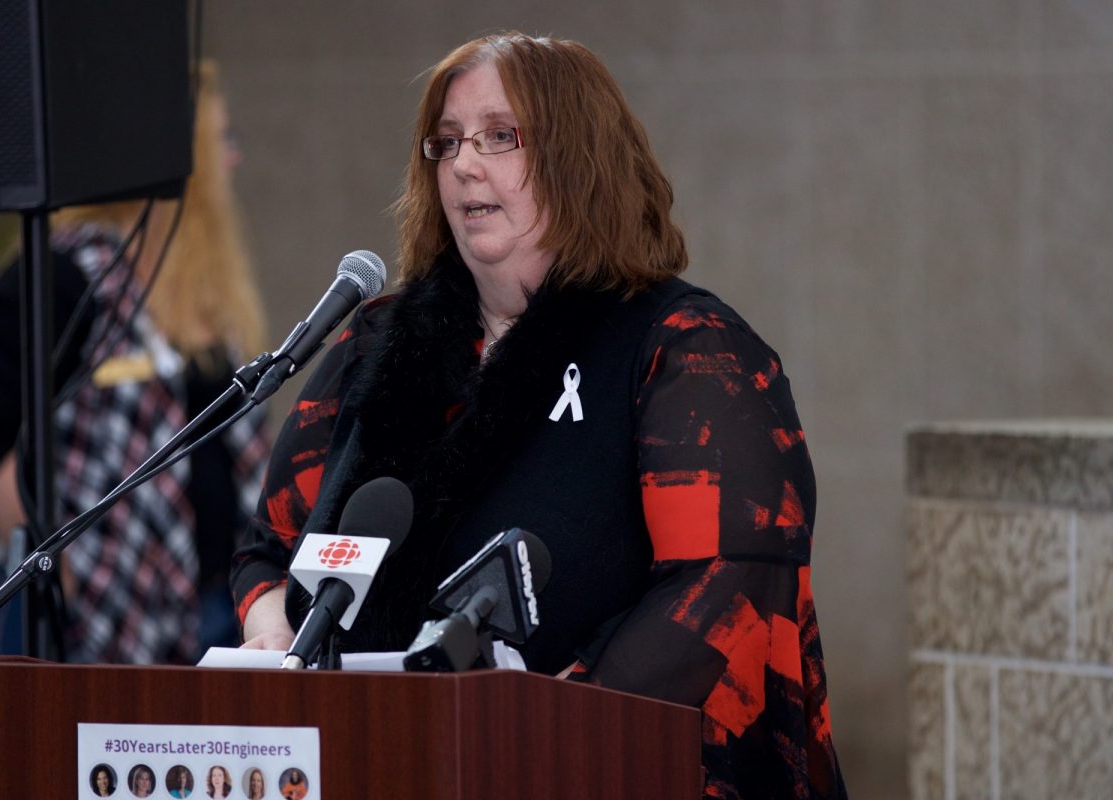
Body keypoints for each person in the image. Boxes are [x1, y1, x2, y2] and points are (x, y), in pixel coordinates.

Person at [231, 32, 847, 798]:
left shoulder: (686, 349)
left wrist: (533, 730)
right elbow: (267, 547)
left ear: (578, 158)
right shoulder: (379, 343)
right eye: (448, 142)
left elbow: (727, 587)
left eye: (499, 137)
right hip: (364, 761)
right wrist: (276, 648)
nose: (463, 164)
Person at [0, 61, 270, 664]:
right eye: (222, 141)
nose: (233, 160)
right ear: (177, 163)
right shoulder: (68, 277)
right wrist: (59, 554)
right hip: (95, 615)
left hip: (218, 606)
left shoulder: (199, 290)